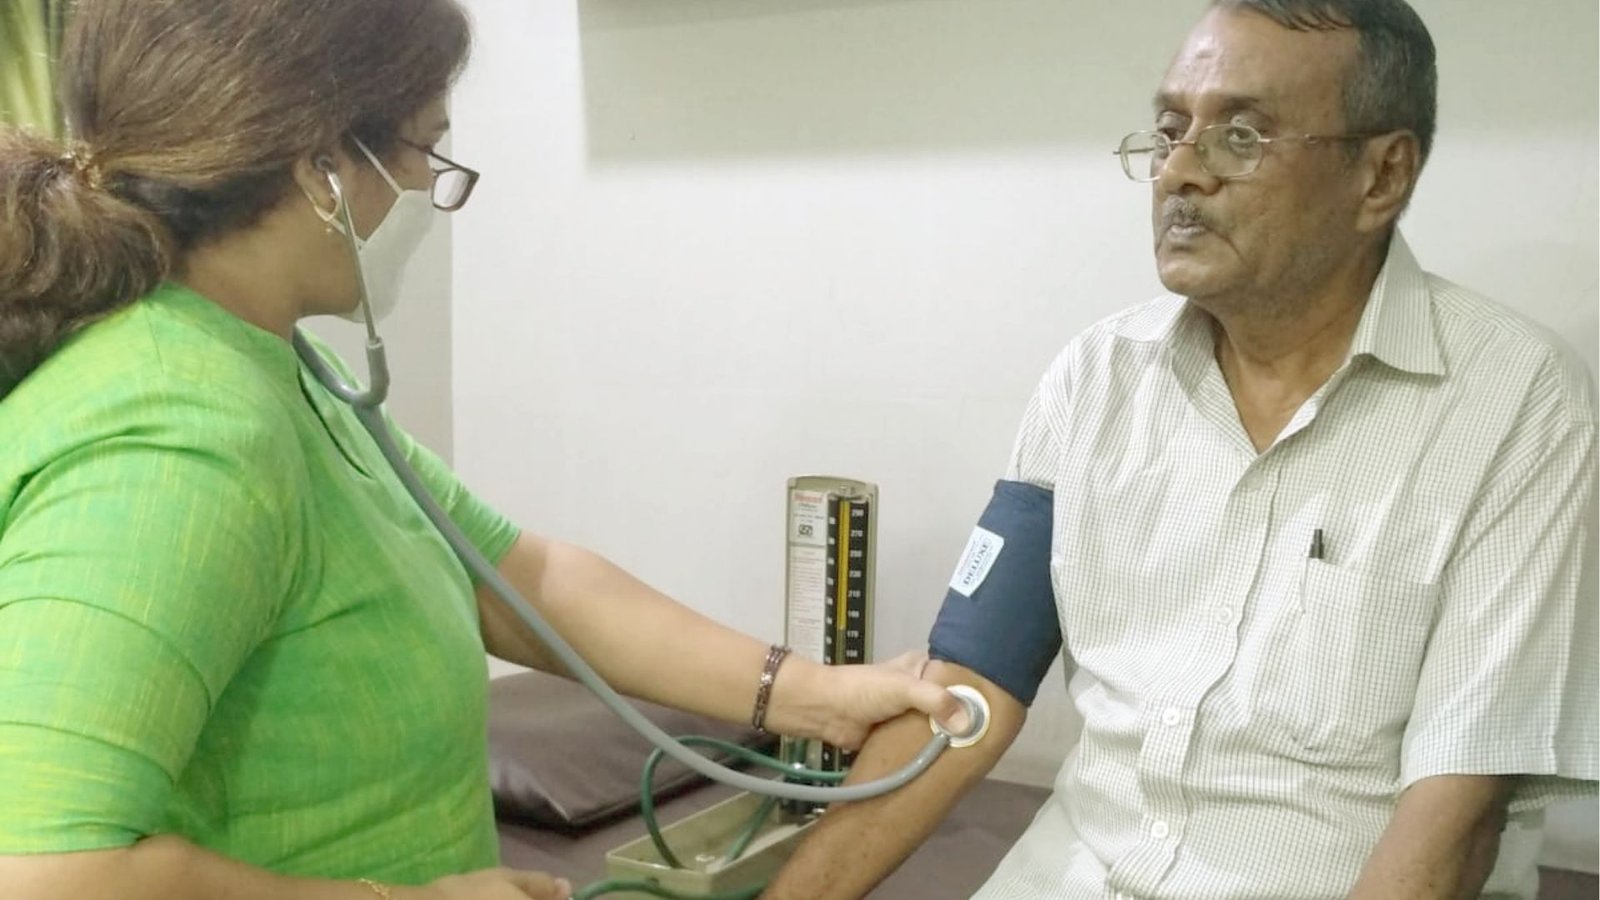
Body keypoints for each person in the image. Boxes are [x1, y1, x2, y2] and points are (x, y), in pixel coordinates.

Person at [0, 2, 967, 899]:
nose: (429, 187)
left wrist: (813, 696)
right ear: (320, 165)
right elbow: (43, 872)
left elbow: (512, 573)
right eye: (423, 148)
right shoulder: (176, 442)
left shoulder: (270, 366)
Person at [764, 1, 1598, 898]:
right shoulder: (1095, 378)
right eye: (1169, 132)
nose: (1178, 173)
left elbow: (1458, 810)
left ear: (1381, 175)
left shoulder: (1516, 404)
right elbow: (965, 690)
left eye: (1240, 137)